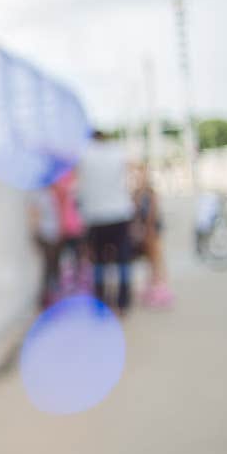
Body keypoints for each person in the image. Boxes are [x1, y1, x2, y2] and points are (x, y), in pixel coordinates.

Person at [76, 129, 135, 315]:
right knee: (123, 259)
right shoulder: (117, 152)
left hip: (95, 216)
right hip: (120, 213)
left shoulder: (84, 154)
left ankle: (101, 301)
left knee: (99, 261)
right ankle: (123, 302)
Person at [130, 163, 173, 307]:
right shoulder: (136, 193)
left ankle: (161, 288)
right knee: (150, 262)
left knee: (156, 261)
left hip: (152, 231)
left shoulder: (151, 193)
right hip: (143, 231)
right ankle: (152, 288)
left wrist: (149, 231)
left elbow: (152, 215)